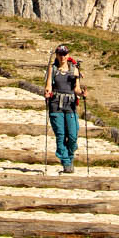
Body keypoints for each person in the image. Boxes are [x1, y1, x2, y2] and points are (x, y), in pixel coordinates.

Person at [45, 44, 84, 172]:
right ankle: (66, 162)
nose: (62, 57)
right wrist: (47, 92)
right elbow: (49, 85)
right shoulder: (53, 69)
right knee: (61, 135)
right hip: (56, 104)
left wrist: (81, 93)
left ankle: (69, 156)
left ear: (68, 55)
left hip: (70, 105)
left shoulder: (74, 70)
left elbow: (76, 88)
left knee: (73, 135)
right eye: (60, 54)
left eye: (65, 54)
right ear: (57, 55)